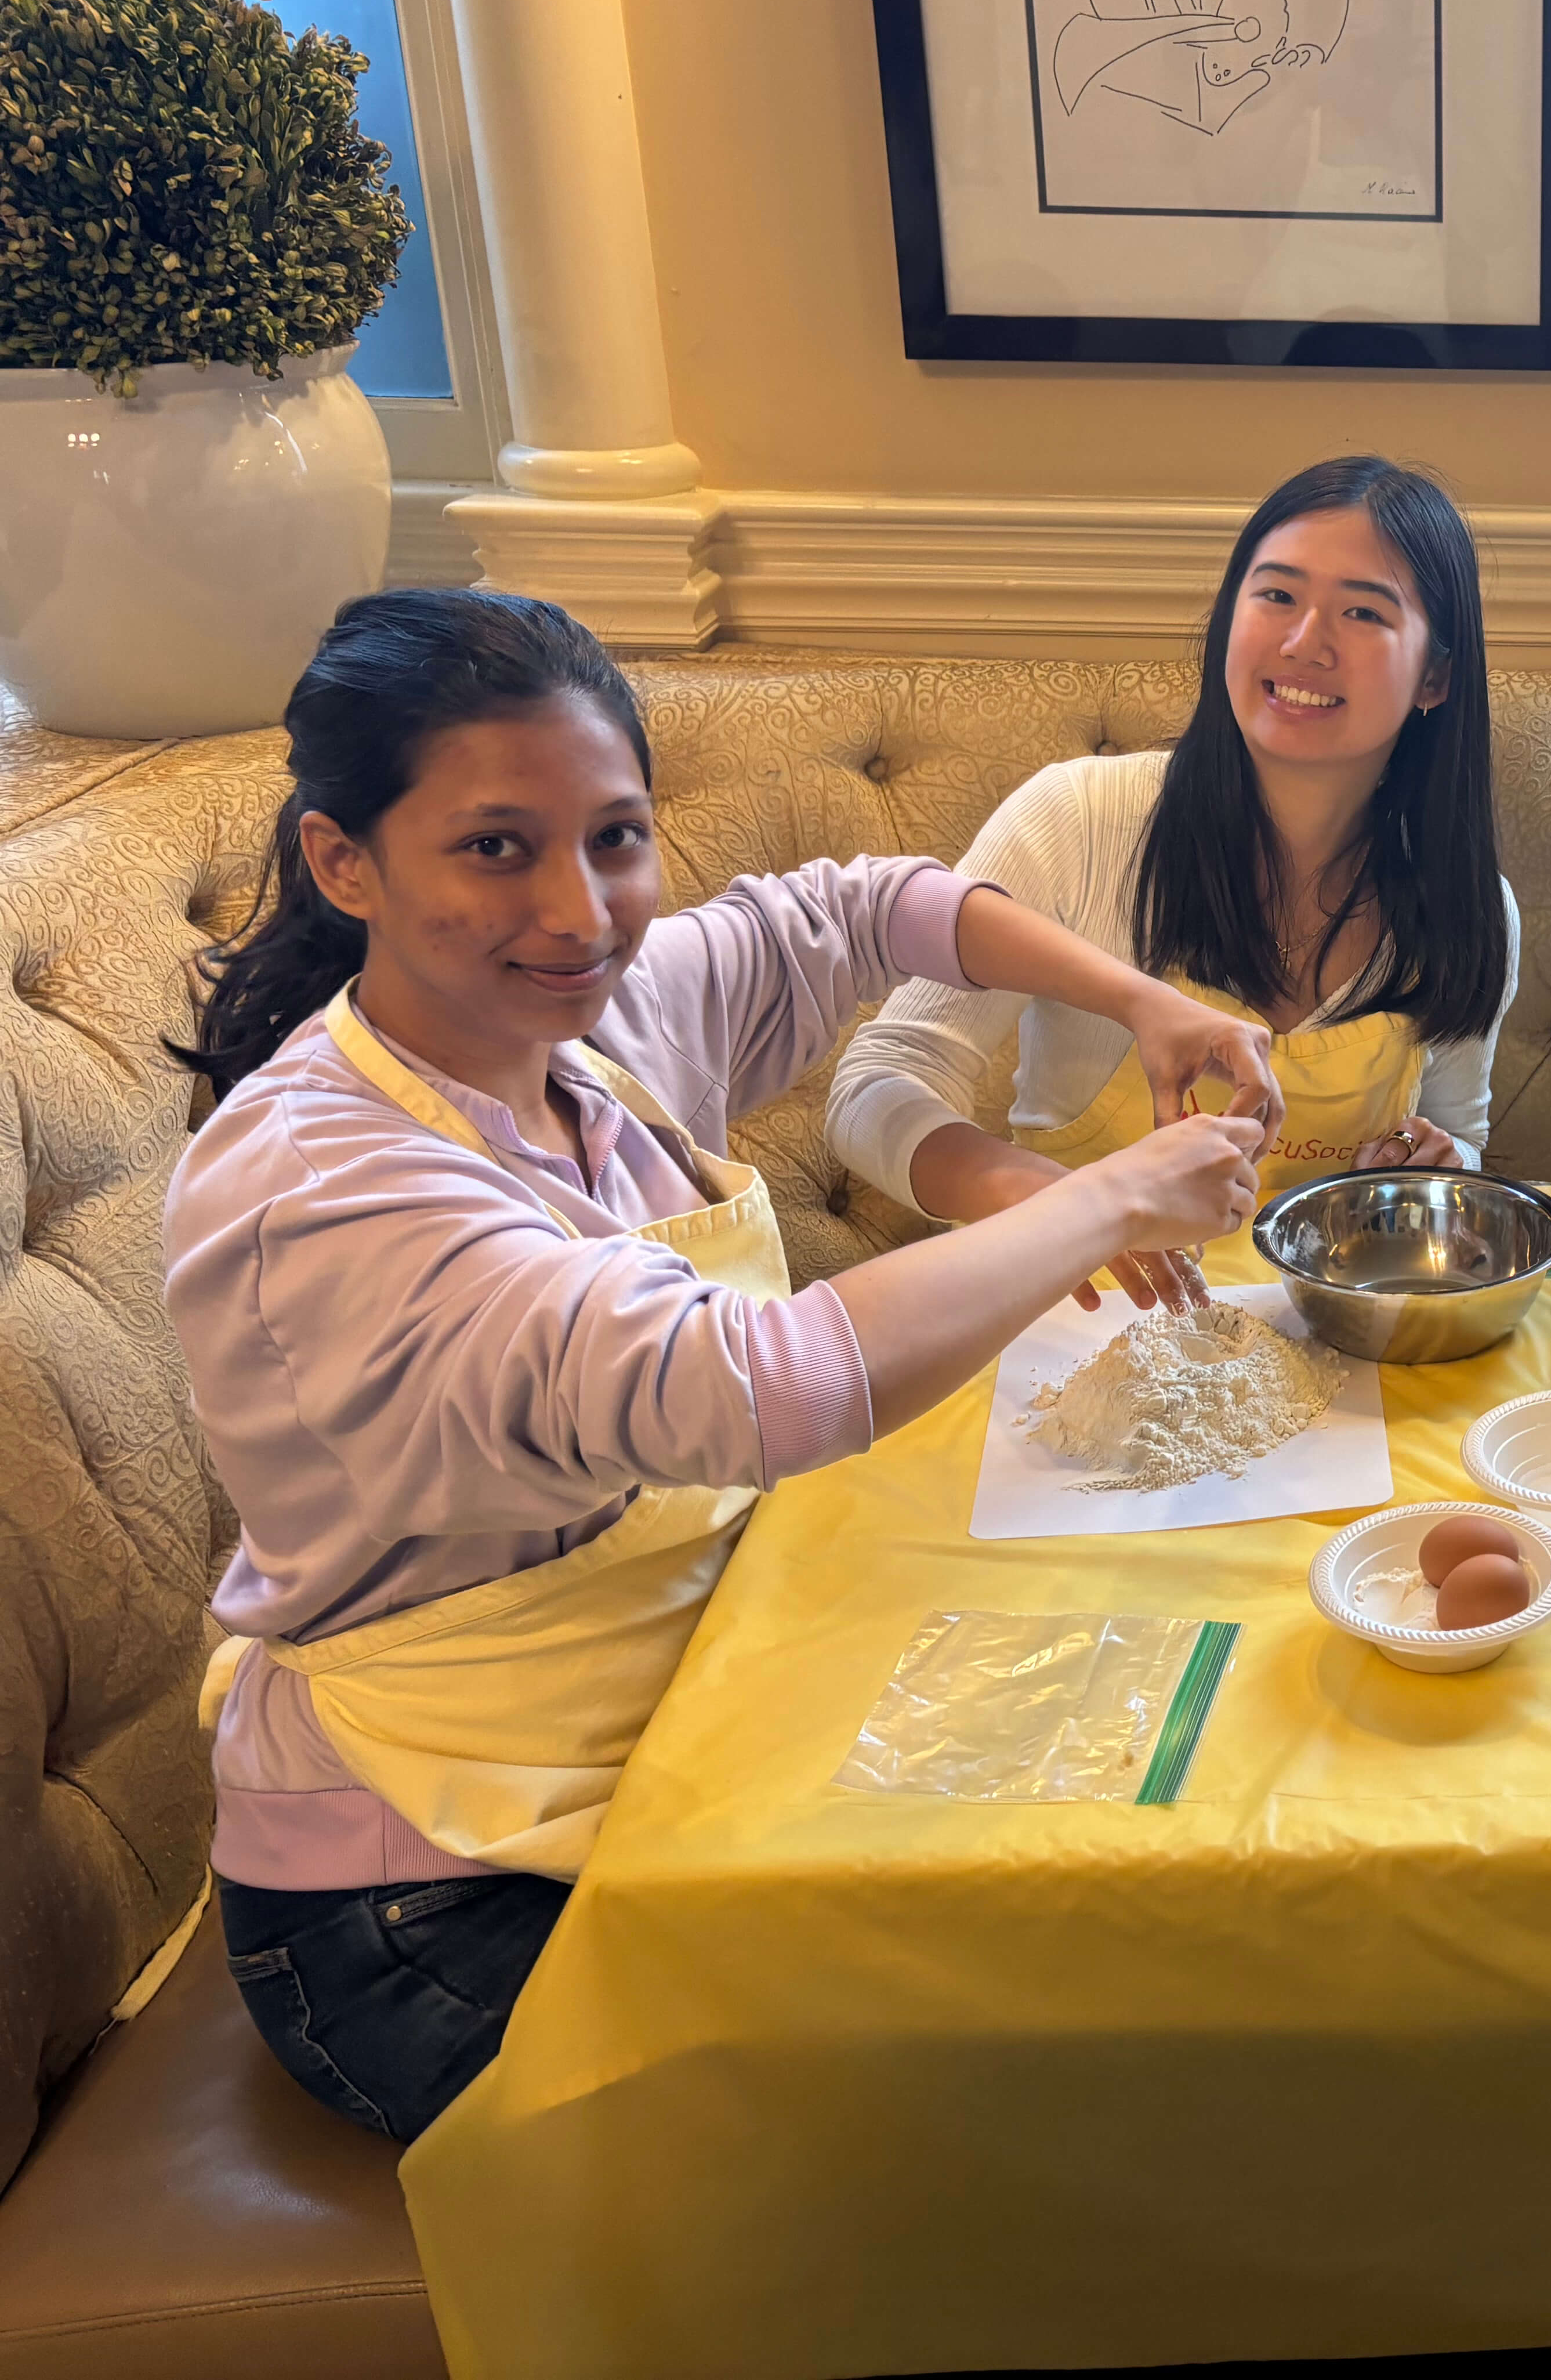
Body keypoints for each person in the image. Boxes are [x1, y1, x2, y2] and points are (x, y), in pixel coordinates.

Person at [165, 589, 1280, 2141]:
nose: (579, 913)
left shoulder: (591, 1033)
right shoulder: (327, 1189)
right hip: (427, 1902)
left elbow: (864, 909)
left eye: (614, 839)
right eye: (496, 847)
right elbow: (762, 1387)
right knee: (984, 2131)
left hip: (673, 1758)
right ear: (344, 860)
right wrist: (1108, 1200)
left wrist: (1142, 998)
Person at [830, 455, 1519, 1240]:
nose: (1304, 642)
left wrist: (1435, 1165)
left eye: (1363, 613)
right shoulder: (1081, 819)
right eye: (1277, 596)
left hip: (1315, 1311)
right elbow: (877, 1084)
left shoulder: (1469, 906)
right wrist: (1065, 1207)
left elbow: (1461, 1132)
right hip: (1063, 1293)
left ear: (1436, 677)